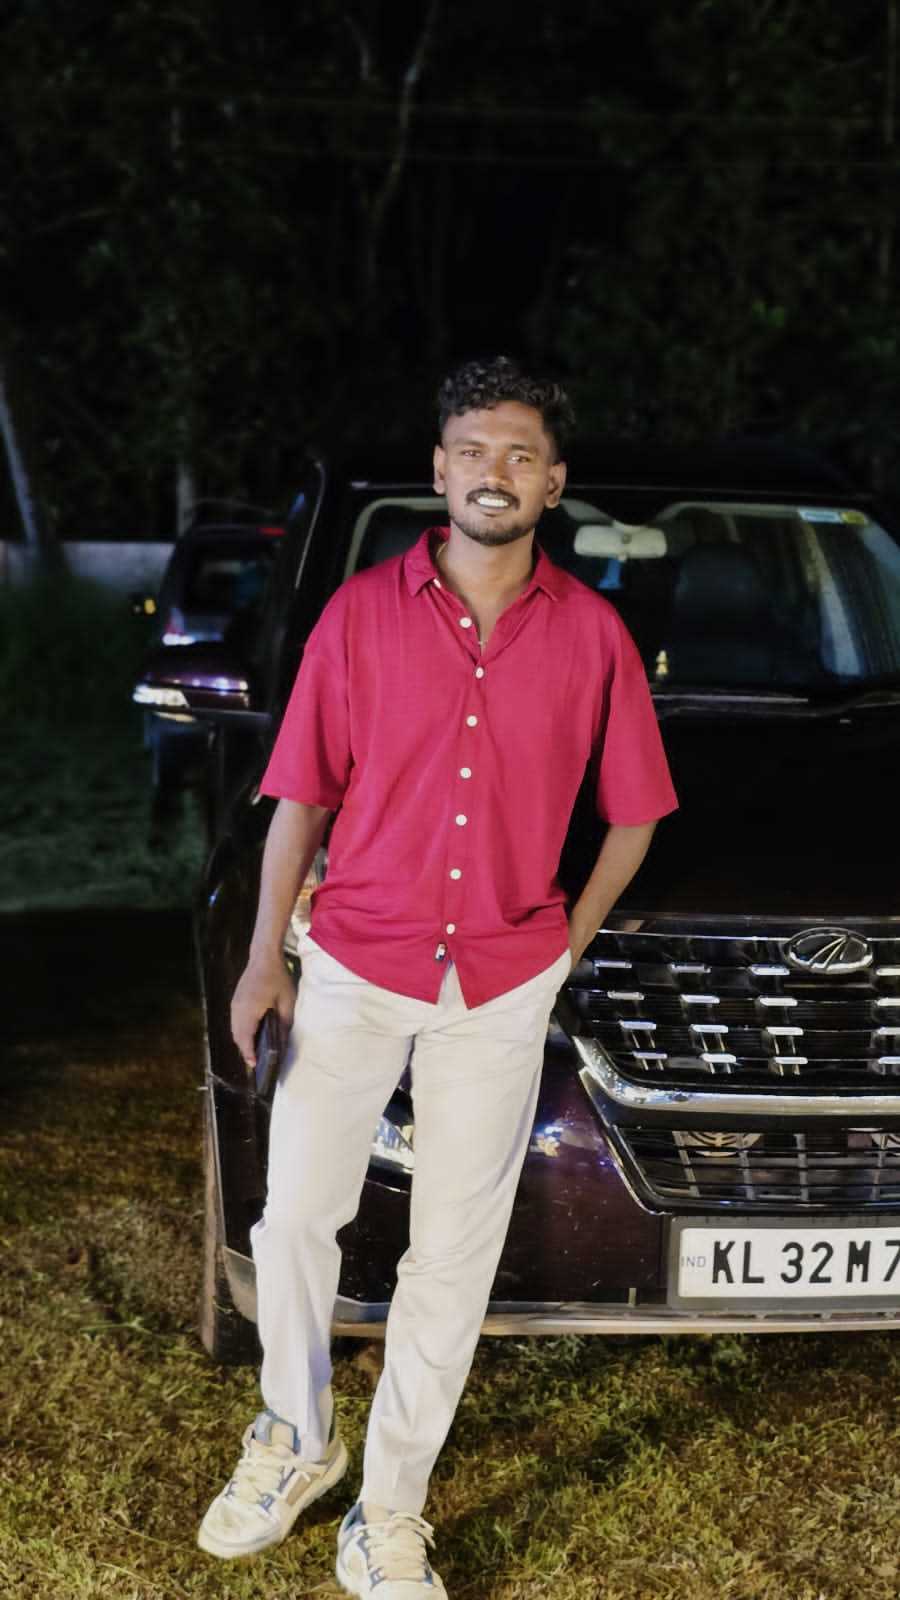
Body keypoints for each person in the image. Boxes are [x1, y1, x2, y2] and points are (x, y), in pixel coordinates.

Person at [197, 355, 677, 1597]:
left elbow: (634, 814)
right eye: (473, 450)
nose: (493, 472)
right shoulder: (360, 614)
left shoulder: (595, 636)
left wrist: (566, 941)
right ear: (440, 471)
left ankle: (390, 1507)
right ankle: (295, 1434)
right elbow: (300, 797)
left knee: (453, 1254)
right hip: (354, 959)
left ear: (553, 483)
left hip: (503, 982)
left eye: (520, 454)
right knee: (295, 1216)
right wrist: (261, 960)